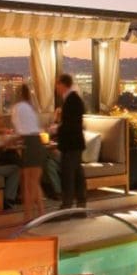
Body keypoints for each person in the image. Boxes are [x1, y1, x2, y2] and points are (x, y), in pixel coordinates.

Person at [11, 84, 46, 221]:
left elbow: (20, 131)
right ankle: (41, 213)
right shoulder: (30, 108)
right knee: (34, 181)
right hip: (36, 142)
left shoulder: (17, 108)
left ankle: (28, 216)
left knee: (28, 183)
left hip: (28, 143)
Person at [54, 73, 86, 209]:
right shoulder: (73, 99)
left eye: (57, 84)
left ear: (62, 84)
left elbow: (71, 124)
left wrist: (56, 129)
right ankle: (81, 206)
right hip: (75, 143)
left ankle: (67, 206)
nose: (56, 88)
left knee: (68, 175)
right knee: (77, 176)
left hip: (71, 144)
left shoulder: (71, 100)